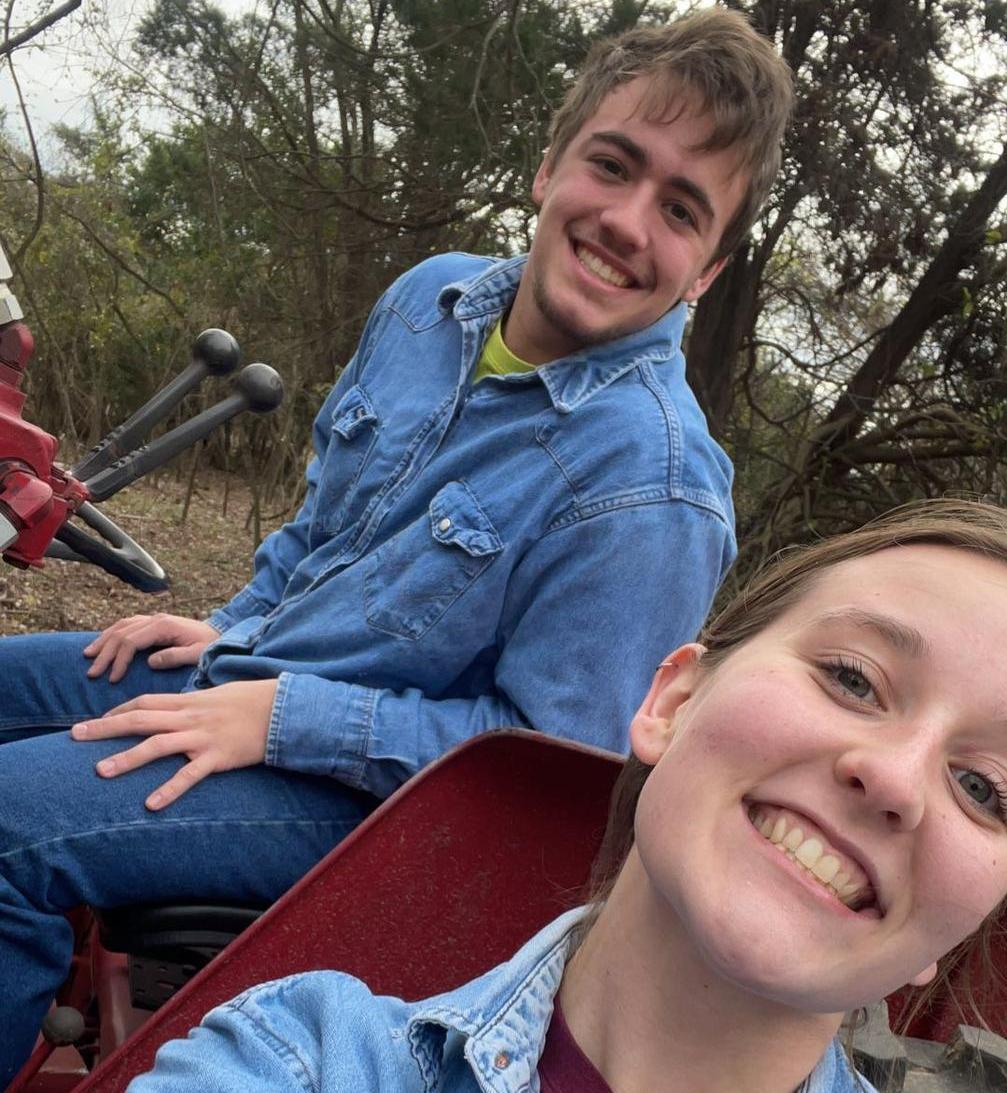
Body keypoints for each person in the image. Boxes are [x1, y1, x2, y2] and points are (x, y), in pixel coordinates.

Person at [0, 9, 796, 1080]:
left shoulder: (652, 489)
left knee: (10, 832)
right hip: (251, 677)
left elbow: (541, 788)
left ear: (705, 269)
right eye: (613, 165)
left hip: (375, 812)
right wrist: (235, 623)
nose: (626, 221)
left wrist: (284, 717)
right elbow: (326, 525)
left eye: (682, 210)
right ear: (548, 164)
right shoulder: (430, 301)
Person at [127, 498, 1007, 1093]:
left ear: (967, 926)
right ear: (673, 698)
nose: (894, 778)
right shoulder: (303, 1060)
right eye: (851, 676)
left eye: (983, 788)